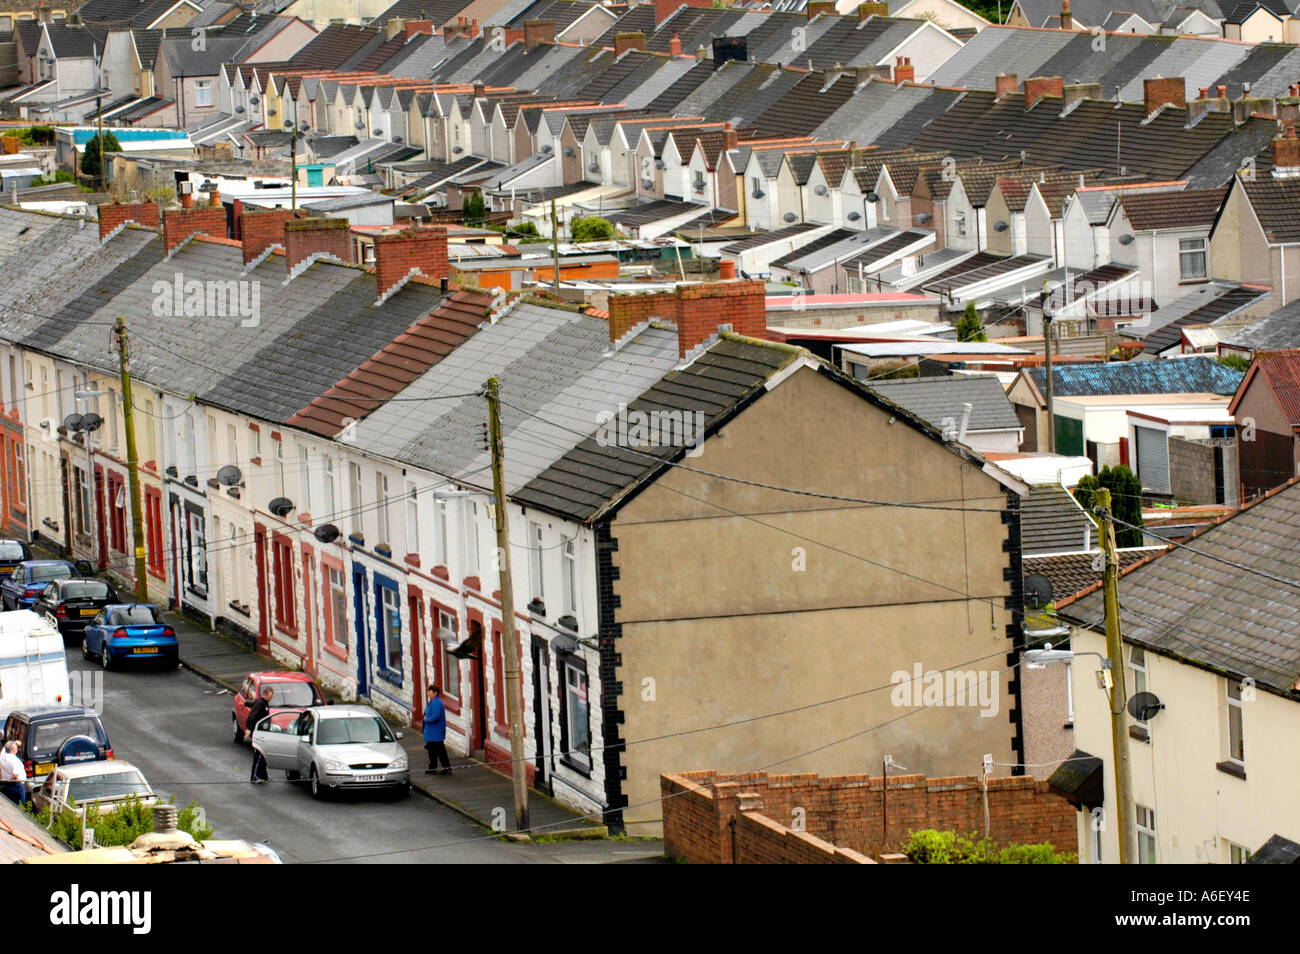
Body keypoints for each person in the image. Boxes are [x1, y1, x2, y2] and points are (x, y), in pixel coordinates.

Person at [245, 685, 275, 784]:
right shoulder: (260, 703)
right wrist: (249, 729)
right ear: (265, 695)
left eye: (272, 697)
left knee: (263, 756)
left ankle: (263, 776)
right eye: (270, 697)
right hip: (258, 734)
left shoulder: (264, 703)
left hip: (263, 733)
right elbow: (252, 717)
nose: (271, 699)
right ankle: (254, 777)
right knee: (258, 756)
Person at [423, 685, 450, 775]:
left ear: (435, 693)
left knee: (440, 751)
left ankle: (447, 768)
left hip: (436, 732)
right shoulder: (431, 702)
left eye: (430, 691)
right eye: (428, 691)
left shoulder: (437, 703)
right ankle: (432, 768)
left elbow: (436, 716)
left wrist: (427, 719)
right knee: (432, 751)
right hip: (431, 732)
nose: (428, 693)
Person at [0, 741, 25, 805]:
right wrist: (11, 780)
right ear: (13, 749)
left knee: (9, 805)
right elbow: (15, 775)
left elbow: (5, 747)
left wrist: (14, 742)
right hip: (16, 785)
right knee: (19, 807)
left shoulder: (2, 756)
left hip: (6, 784)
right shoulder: (14, 760)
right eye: (16, 747)